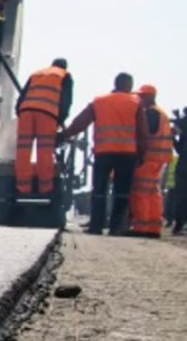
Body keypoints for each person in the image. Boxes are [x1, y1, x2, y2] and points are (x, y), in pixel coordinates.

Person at [59, 73, 148, 235]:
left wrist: (64, 134)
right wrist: (142, 153)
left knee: (99, 191)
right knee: (122, 193)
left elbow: (80, 122)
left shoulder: (99, 101)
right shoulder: (136, 103)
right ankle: (116, 228)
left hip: (104, 152)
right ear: (128, 85)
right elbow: (142, 132)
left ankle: (96, 227)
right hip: (127, 154)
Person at [15, 58, 73, 194]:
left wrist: (20, 111)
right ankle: (45, 189)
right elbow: (66, 100)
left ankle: (22, 188)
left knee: (23, 151)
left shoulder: (37, 73)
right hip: (47, 114)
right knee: (44, 152)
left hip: (26, 112)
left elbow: (22, 96)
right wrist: (60, 120)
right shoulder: (65, 75)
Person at [128, 85, 172, 237]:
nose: (138, 99)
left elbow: (146, 135)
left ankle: (141, 227)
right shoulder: (161, 113)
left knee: (140, 192)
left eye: (141, 96)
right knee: (153, 193)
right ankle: (154, 228)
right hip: (158, 159)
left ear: (149, 97)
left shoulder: (151, 113)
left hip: (148, 158)